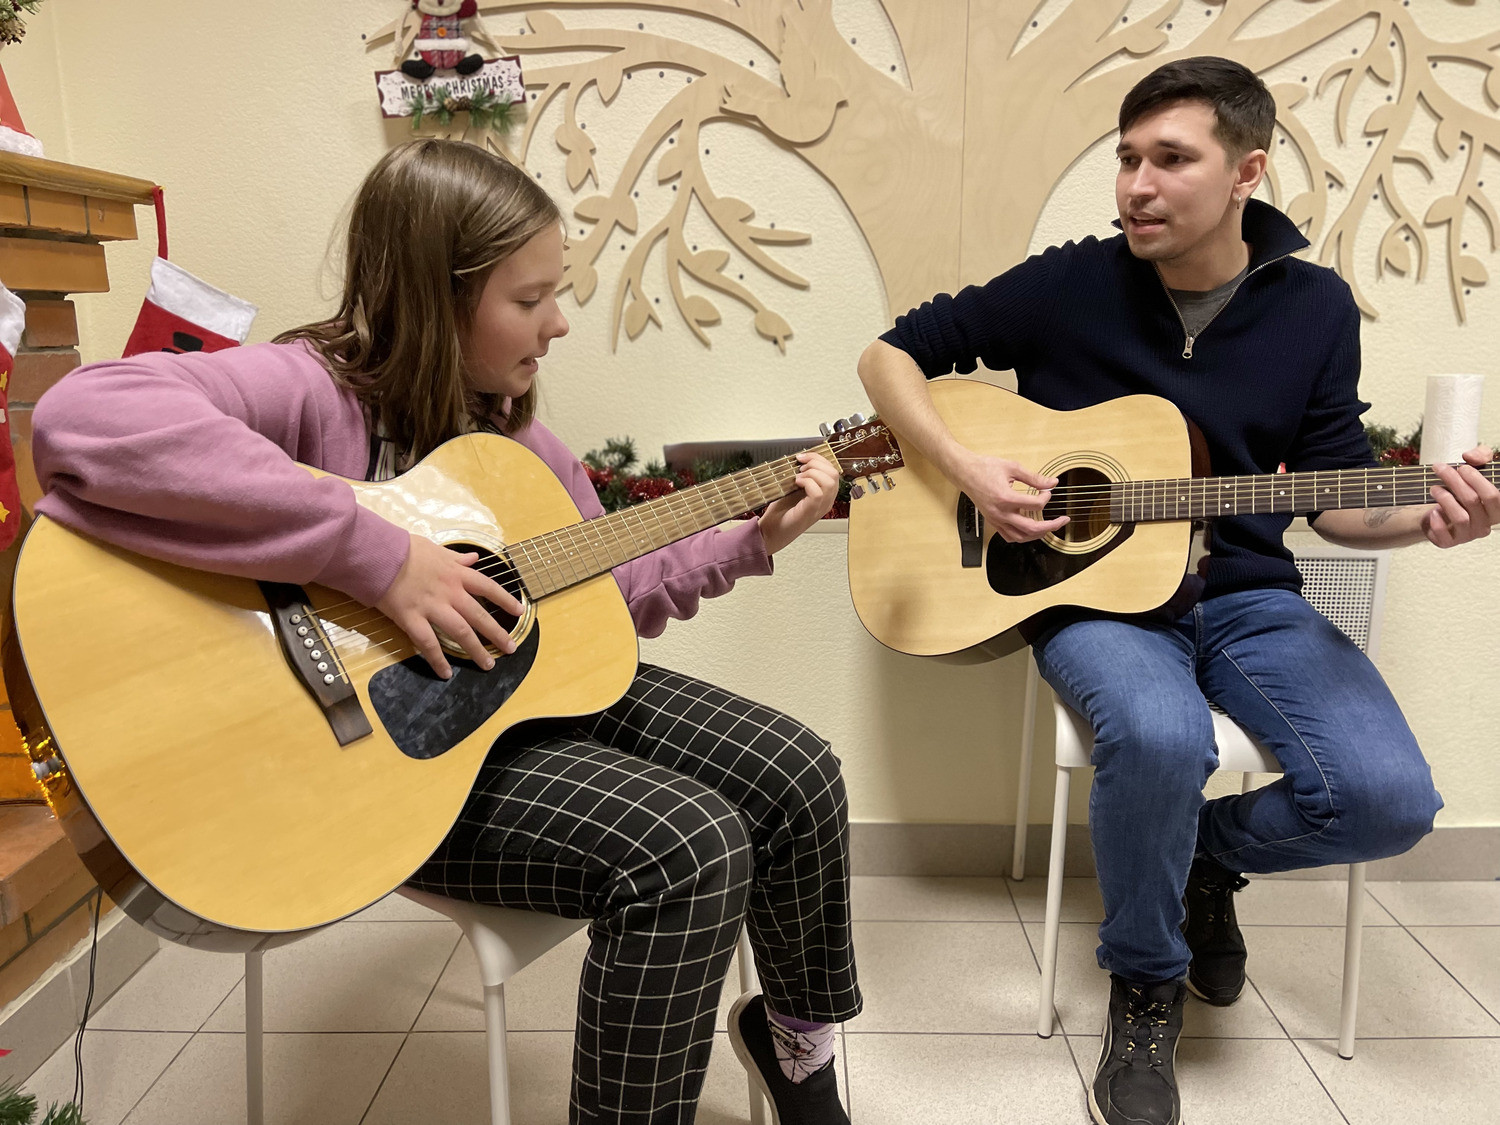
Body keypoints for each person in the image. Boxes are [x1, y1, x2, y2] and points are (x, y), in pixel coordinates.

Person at [32, 139, 860, 1125]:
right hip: (381, 765)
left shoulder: (523, 449)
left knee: (800, 773)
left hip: (517, 702)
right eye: (528, 299)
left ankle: (797, 1052)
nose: (556, 325)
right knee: (689, 846)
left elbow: (618, 593)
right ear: (435, 294)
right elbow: (86, 417)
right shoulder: (310, 389)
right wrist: (378, 558)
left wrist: (749, 538)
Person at [856, 56, 1497, 1125]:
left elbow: (1337, 494)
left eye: (1169, 160)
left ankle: (1200, 860)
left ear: (1246, 170)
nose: (1136, 187)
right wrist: (968, 469)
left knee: (1391, 800)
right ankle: (1145, 980)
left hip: (1248, 593)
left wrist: (1437, 524)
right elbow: (888, 359)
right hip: (1094, 599)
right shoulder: (1071, 283)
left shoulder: (1315, 309)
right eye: (1126, 160)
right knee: (1158, 742)